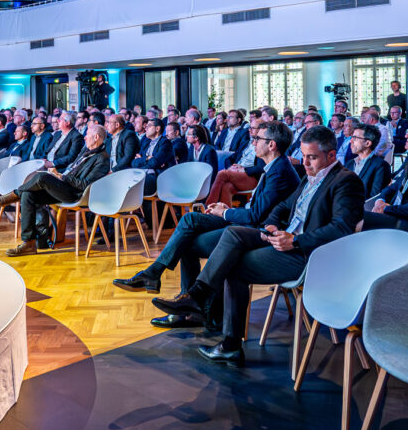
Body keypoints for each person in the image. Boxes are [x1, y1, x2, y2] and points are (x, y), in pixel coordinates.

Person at [155, 126, 365, 365]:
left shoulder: (346, 181)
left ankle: (224, 336)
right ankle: (198, 298)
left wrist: (296, 240)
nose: (305, 163)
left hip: (308, 255)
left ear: (332, 155)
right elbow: (283, 207)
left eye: (312, 157)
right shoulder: (310, 175)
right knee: (234, 233)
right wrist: (272, 224)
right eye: (304, 156)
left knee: (234, 265)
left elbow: (341, 229)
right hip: (285, 239)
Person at [113, 121, 298, 310]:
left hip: (254, 231)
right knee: (190, 219)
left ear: (271, 145)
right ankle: (156, 275)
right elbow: (257, 208)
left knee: (187, 242)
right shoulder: (274, 167)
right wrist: (225, 208)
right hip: (248, 221)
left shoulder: (279, 172)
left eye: (257, 138)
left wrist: (225, 212)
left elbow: (256, 217)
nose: (253, 142)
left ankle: (184, 302)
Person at [0, 125, 110, 256]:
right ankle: (29, 243)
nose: (84, 137)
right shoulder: (86, 150)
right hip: (65, 186)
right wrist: (59, 175)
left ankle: (15, 194)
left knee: (42, 177)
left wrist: (62, 177)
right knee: (28, 194)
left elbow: (85, 185)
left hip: (76, 194)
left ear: (96, 137)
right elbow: (72, 169)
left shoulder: (102, 159)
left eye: (87, 134)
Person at [361, 119, 408, 233]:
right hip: (394, 214)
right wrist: (380, 199)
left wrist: (387, 208)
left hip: (407, 225)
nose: (406, 135)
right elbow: (395, 185)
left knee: (354, 219)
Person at [205, 116, 261, 205]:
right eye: (249, 127)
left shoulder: (264, 146)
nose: (249, 130)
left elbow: (262, 167)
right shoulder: (246, 143)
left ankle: (208, 206)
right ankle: (223, 212)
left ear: (261, 130)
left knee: (222, 174)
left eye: (253, 128)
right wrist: (231, 167)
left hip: (252, 177)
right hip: (237, 174)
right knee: (227, 186)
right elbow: (229, 159)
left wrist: (244, 169)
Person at [345, 123, 391, 197]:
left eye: (355, 138)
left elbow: (375, 197)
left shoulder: (380, 166)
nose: (351, 141)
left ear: (367, 143)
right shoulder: (350, 164)